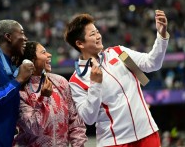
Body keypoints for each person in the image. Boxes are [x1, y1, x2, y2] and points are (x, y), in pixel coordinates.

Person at [64, 10, 169, 147]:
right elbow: (88, 118)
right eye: (92, 34)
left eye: (97, 32)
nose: (98, 36)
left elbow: (151, 63)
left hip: (147, 133)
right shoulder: (77, 80)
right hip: (114, 141)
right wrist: (95, 85)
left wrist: (161, 35)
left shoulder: (119, 53)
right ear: (80, 43)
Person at [13, 41, 87, 147]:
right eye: (43, 52)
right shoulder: (21, 92)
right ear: (31, 61)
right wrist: (43, 98)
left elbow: (75, 121)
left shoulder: (60, 82)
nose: (49, 55)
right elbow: (34, 128)